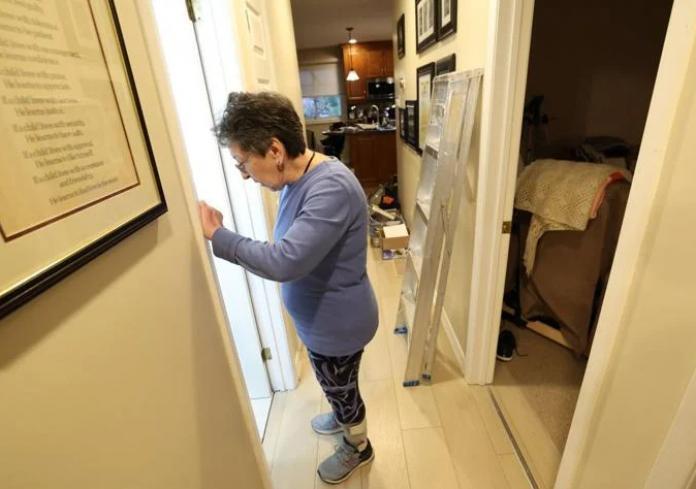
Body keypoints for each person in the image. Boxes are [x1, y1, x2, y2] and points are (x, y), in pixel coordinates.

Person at [198, 92, 378, 484]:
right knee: (335, 383)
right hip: (323, 323)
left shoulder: (330, 188)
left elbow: (284, 261)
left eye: (243, 162)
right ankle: (341, 411)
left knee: (343, 389)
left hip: (338, 326)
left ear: (275, 150)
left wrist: (218, 235)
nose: (244, 174)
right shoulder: (299, 181)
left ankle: (358, 444)